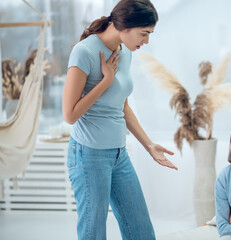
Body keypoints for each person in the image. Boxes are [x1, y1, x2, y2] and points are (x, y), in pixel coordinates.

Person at [62, 0, 177, 239]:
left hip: (118, 155)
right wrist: (105, 82)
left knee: (141, 231)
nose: (146, 41)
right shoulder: (84, 52)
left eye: (150, 35)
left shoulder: (124, 52)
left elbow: (121, 105)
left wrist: (149, 145)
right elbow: (69, 115)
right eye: (144, 34)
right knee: (94, 233)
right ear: (124, 25)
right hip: (88, 156)